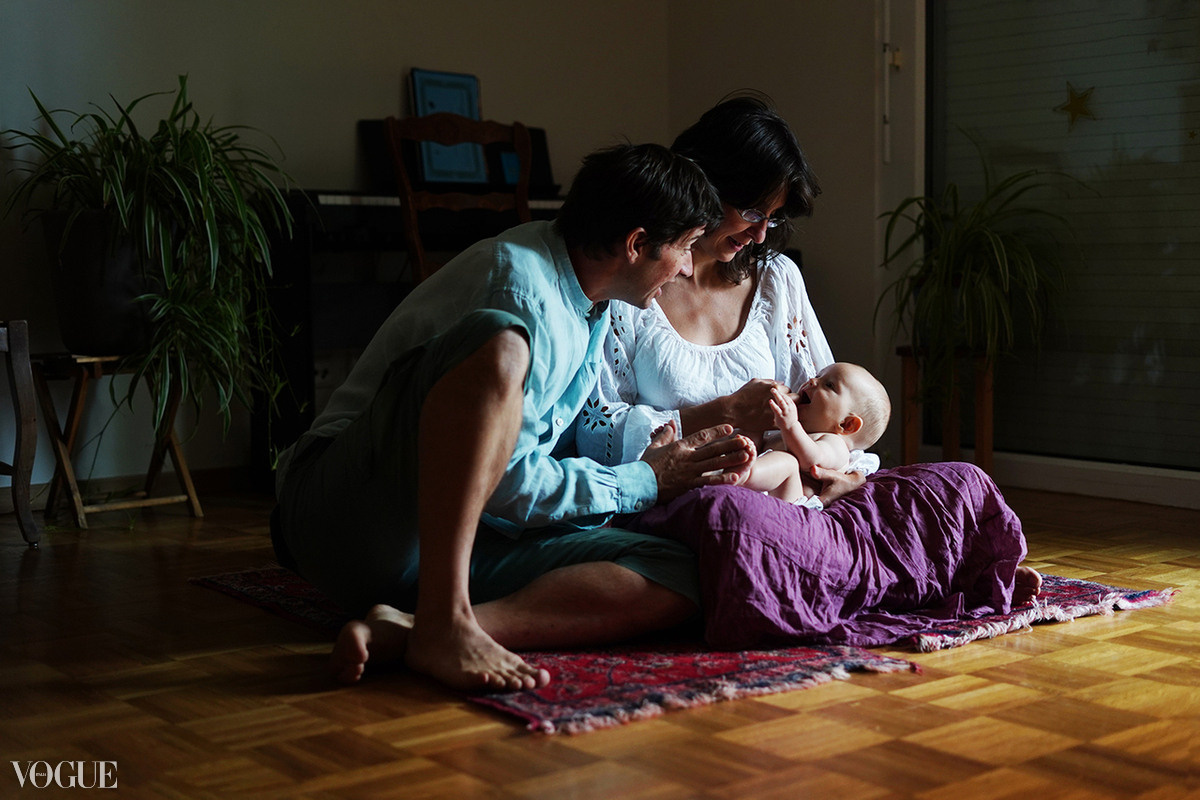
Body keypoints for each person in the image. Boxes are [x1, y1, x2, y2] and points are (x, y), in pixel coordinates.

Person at [271, 143, 758, 693]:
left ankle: (419, 629)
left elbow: (518, 473)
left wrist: (653, 466)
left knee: (682, 572)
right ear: (636, 244)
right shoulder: (519, 285)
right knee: (500, 344)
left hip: (452, 541)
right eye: (688, 247)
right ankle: (446, 618)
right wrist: (644, 480)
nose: (690, 268)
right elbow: (504, 481)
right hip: (348, 516)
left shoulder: (593, 298)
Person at [575, 94, 1042, 631]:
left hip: (803, 497)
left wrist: (844, 476)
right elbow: (591, 431)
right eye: (751, 212)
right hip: (706, 496)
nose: (759, 234)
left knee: (957, 482)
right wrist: (719, 414)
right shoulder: (632, 281)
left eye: (771, 219)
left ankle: (943, 569)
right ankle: (922, 579)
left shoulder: (776, 279)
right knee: (735, 522)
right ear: (702, 184)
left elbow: (839, 413)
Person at [740, 362, 891, 507]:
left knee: (789, 463)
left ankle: (739, 475)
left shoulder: (835, 443)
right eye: (818, 376)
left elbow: (810, 461)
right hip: (762, 492)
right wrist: (755, 424)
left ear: (847, 424)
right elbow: (756, 446)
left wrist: (790, 425)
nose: (812, 381)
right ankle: (736, 472)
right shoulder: (785, 433)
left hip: (792, 502)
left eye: (829, 385)